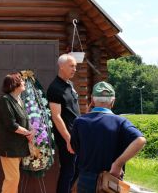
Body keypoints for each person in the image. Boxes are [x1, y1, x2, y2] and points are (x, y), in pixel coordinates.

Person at [71, 81, 146, 193]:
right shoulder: (120, 122)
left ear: (92, 99)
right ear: (113, 101)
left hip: (85, 181)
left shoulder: (79, 122)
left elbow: (75, 149)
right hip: (111, 182)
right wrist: (117, 164)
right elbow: (140, 140)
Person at [47, 54, 80, 193]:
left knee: (76, 169)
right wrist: (68, 139)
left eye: (76, 66)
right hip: (66, 137)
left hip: (76, 134)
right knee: (68, 170)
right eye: (71, 66)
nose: (75, 69)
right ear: (61, 66)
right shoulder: (55, 88)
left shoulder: (70, 84)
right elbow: (56, 116)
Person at [0, 72, 33, 193]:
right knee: (12, 179)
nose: (24, 82)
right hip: (9, 147)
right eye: (21, 80)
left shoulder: (19, 100)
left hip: (19, 146)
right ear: (14, 84)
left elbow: (25, 120)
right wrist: (28, 133)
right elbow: (11, 125)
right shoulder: (5, 101)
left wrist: (31, 131)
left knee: (14, 178)